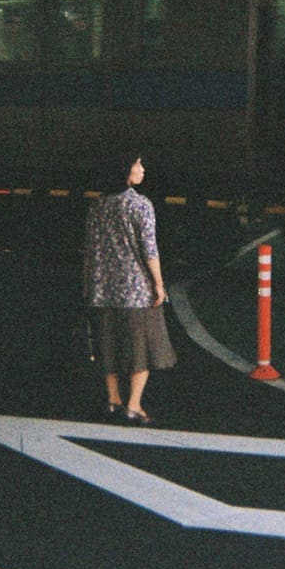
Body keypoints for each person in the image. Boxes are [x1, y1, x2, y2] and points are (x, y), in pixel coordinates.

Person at [82, 150, 176, 425]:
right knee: (141, 349)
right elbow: (149, 249)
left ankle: (113, 401)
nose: (142, 168)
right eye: (137, 164)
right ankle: (133, 406)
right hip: (136, 290)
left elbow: (89, 250)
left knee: (107, 346)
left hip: (102, 289)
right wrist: (158, 284)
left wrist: (87, 285)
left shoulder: (98, 206)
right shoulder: (140, 205)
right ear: (126, 171)